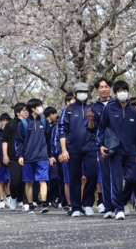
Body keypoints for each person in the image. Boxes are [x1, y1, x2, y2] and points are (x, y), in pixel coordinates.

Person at [97, 80, 136, 221]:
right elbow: (101, 128)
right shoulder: (109, 108)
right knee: (116, 181)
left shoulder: (134, 111)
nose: (122, 93)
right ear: (115, 93)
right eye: (119, 91)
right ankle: (118, 208)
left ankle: (121, 201)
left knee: (133, 178)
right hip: (114, 151)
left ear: (128, 92)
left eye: (125, 90)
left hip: (131, 151)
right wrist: (101, 145)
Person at [59, 82, 98, 217]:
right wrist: (64, 150)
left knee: (92, 174)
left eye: (85, 91)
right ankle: (75, 206)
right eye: (80, 91)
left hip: (90, 147)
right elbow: (62, 129)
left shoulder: (91, 108)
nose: (83, 94)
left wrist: (91, 120)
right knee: (74, 177)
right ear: (75, 94)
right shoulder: (68, 109)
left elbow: (94, 128)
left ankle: (87, 203)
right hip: (72, 147)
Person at [15, 98, 52, 214]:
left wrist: (50, 155)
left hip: (42, 156)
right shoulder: (24, 123)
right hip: (28, 156)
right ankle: (30, 204)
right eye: (39, 106)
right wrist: (20, 155)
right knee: (29, 181)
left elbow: (48, 139)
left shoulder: (44, 122)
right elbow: (19, 141)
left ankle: (44, 203)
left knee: (43, 180)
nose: (41, 108)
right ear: (33, 108)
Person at [86, 77, 114, 216]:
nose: (104, 89)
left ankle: (119, 203)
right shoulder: (94, 107)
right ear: (97, 90)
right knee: (104, 177)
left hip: (118, 145)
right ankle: (108, 206)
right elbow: (91, 129)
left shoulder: (117, 104)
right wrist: (90, 119)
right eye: (101, 87)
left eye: (106, 86)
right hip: (101, 145)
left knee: (119, 176)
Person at [3, 102, 28, 211]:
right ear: (17, 113)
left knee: (26, 180)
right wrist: (5, 155)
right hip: (13, 156)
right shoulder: (11, 124)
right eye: (24, 111)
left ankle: (23, 200)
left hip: (27, 155)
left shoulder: (29, 122)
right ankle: (13, 197)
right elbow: (5, 140)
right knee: (15, 180)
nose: (26, 112)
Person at [0, 113, 11, 209]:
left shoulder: (12, 133)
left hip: (10, 161)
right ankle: (1, 200)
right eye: (3, 121)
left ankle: (8, 197)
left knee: (8, 180)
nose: (5, 123)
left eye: (7, 121)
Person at [44, 106, 59, 208]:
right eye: (54, 114)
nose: (55, 116)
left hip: (53, 154)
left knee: (54, 177)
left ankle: (52, 197)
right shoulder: (42, 124)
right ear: (51, 114)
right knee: (43, 179)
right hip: (42, 154)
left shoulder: (56, 126)